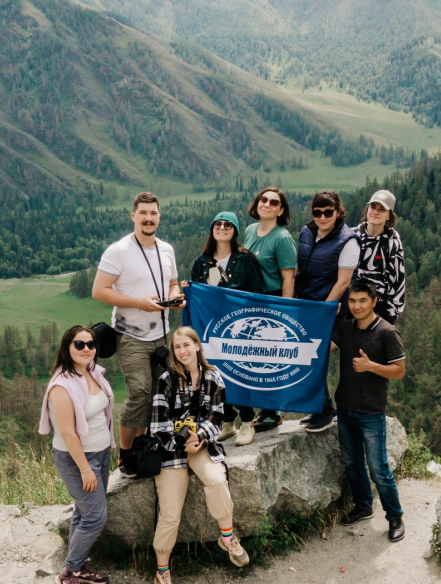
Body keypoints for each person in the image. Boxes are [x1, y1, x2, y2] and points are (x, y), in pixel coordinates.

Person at [150, 326, 249, 584]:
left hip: (201, 445)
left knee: (216, 480)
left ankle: (227, 537)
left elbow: (217, 417)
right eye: (177, 347)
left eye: (186, 345)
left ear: (197, 346)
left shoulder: (213, 376)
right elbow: (158, 423)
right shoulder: (167, 379)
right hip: (171, 449)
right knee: (170, 512)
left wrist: (200, 438)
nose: (182, 351)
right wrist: (180, 442)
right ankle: (162, 570)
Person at [92, 192, 184, 478]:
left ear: (159, 216)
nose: (148, 218)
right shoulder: (118, 250)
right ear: (133, 216)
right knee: (140, 392)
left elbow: (172, 282)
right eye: (143, 213)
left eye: (153, 213)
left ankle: (143, 446)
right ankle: (125, 453)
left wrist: (174, 296)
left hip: (161, 335)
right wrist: (138, 303)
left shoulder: (166, 249)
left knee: (157, 393)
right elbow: (99, 290)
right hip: (130, 335)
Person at [38, 325, 115, 584]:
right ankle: (68, 572)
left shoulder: (93, 372)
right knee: (95, 516)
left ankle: (80, 566)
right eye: (79, 344)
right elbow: (68, 433)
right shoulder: (62, 385)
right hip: (77, 459)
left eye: (91, 344)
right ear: (67, 348)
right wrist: (85, 469)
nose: (86, 349)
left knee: (84, 512)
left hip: (101, 453)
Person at [331, 279, 406, 542]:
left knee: (378, 469)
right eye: (352, 301)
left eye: (363, 300)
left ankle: (395, 517)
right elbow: (326, 347)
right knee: (352, 462)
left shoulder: (387, 332)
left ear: (374, 301)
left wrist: (371, 366)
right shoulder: (346, 327)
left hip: (371, 411)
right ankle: (363, 506)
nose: (357, 306)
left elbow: (399, 371)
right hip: (345, 407)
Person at [189, 210, 264, 444]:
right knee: (217, 374)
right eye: (218, 224)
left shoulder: (245, 259)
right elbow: (196, 296)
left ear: (235, 231)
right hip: (211, 330)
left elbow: (257, 294)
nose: (222, 228)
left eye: (228, 225)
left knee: (240, 374)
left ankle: (248, 422)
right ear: (212, 228)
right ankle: (228, 422)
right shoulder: (201, 262)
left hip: (240, 330)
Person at [295, 190, 359, 433]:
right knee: (306, 355)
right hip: (306, 305)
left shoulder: (348, 240)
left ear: (338, 212)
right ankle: (321, 407)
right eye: (317, 212)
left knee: (315, 354)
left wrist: (325, 309)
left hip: (331, 309)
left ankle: (324, 411)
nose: (322, 217)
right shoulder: (306, 232)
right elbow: (300, 266)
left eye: (328, 212)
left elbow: (343, 282)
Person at [240, 187, 297, 443]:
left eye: (274, 202)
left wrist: (284, 311)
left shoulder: (282, 238)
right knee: (254, 356)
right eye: (263, 199)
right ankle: (264, 408)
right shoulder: (251, 230)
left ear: (281, 210)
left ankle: (273, 410)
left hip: (273, 300)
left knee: (270, 356)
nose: (267, 204)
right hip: (252, 300)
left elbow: (288, 278)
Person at [353, 190, 405, 324]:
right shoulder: (352, 236)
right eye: (373, 207)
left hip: (379, 310)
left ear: (389, 216)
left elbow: (397, 281)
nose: (375, 212)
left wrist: (390, 317)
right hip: (350, 305)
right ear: (367, 210)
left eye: (382, 209)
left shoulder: (393, 243)